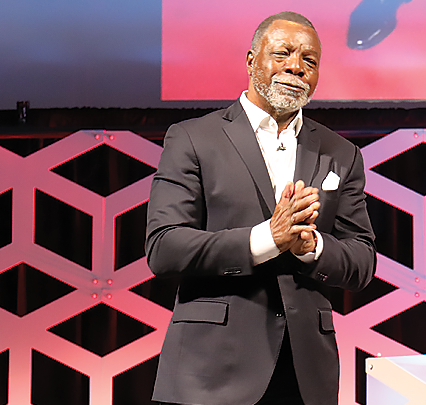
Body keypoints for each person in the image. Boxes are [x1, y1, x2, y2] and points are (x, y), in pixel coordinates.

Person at [146, 11, 376, 405]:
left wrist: (313, 247)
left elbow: (362, 260)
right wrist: (265, 239)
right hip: (210, 371)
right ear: (252, 60)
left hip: (305, 376)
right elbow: (164, 248)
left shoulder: (341, 153)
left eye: (310, 60)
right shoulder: (192, 137)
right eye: (283, 53)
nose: (296, 67)